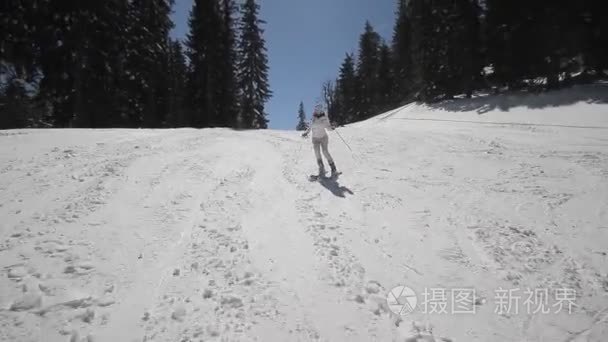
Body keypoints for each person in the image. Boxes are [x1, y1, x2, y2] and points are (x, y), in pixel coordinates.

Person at [302, 106, 338, 177]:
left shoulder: (324, 118)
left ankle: (334, 169)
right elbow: (310, 127)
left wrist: (332, 127)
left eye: (318, 111)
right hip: (315, 138)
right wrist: (306, 132)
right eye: (316, 110)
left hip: (323, 138)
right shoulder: (313, 118)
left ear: (321, 111)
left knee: (325, 151)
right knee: (317, 152)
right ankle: (321, 169)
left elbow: (328, 127)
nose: (316, 112)